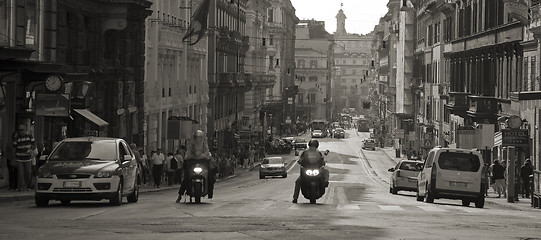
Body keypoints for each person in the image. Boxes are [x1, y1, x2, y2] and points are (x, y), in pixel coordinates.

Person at [177, 130, 214, 202]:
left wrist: (208, 156)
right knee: (186, 177)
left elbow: (207, 151)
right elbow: (189, 152)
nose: (198, 138)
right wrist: (187, 157)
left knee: (210, 176)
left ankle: (210, 192)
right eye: (197, 137)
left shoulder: (204, 144)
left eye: (200, 137)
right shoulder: (192, 144)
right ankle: (180, 195)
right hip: (193, 161)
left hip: (202, 161)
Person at [292, 139, 329, 203]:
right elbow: (301, 158)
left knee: (325, 173)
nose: (312, 147)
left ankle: (325, 184)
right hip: (307, 169)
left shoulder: (318, 153)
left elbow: (322, 159)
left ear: (316, 146)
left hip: (316, 170)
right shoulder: (305, 152)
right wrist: (300, 161)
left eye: (314, 146)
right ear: (309, 146)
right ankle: (295, 198)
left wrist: (323, 162)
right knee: (298, 181)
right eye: (312, 146)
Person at [12, 124, 35, 191]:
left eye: (22, 130)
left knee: (28, 172)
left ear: (25, 130)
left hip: (27, 157)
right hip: (19, 157)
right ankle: (23, 186)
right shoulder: (17, 137)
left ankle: (27, 185)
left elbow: (34, 144)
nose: (20, 131)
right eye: (19, 130)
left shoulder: (30, 136)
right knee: (20, 173)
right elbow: (14, 147)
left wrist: (31, 149)